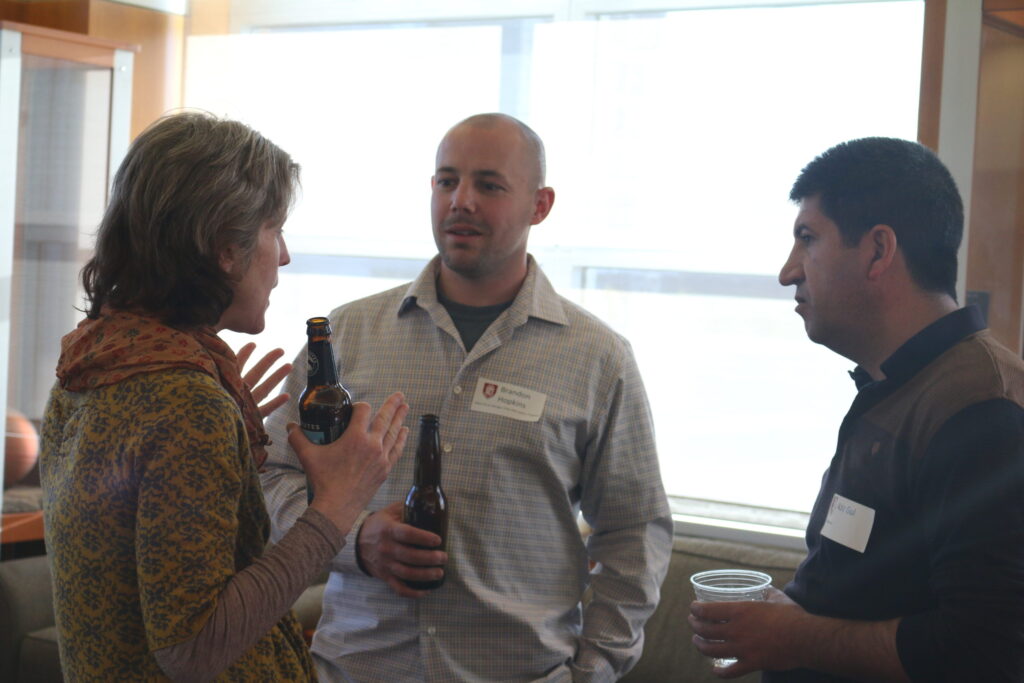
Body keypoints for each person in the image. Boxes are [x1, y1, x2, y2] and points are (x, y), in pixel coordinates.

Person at [261, 113, 672, 682]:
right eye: (446, 181)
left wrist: (595, 670)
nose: (462, 201)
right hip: (357, 670)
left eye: (489, 185)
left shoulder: (599, 358)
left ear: (540, 205)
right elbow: (271, 478)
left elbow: (635, 532)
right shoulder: (346, 335)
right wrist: (354, 540)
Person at [39, 111, 410, 681]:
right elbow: (193, 647)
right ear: (224, 248)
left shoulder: (96, 364)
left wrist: (217, 436)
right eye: (274, 229)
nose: (283, 255)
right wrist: (337, 503)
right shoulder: (184, 404)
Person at [689, 137, 1024, 682]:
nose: (788, 271)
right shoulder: (897, 383)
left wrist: (792, 636)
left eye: (807, 239)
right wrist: (792, 614)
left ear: (877, 251)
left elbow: (983, 650)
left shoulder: (982, 410)